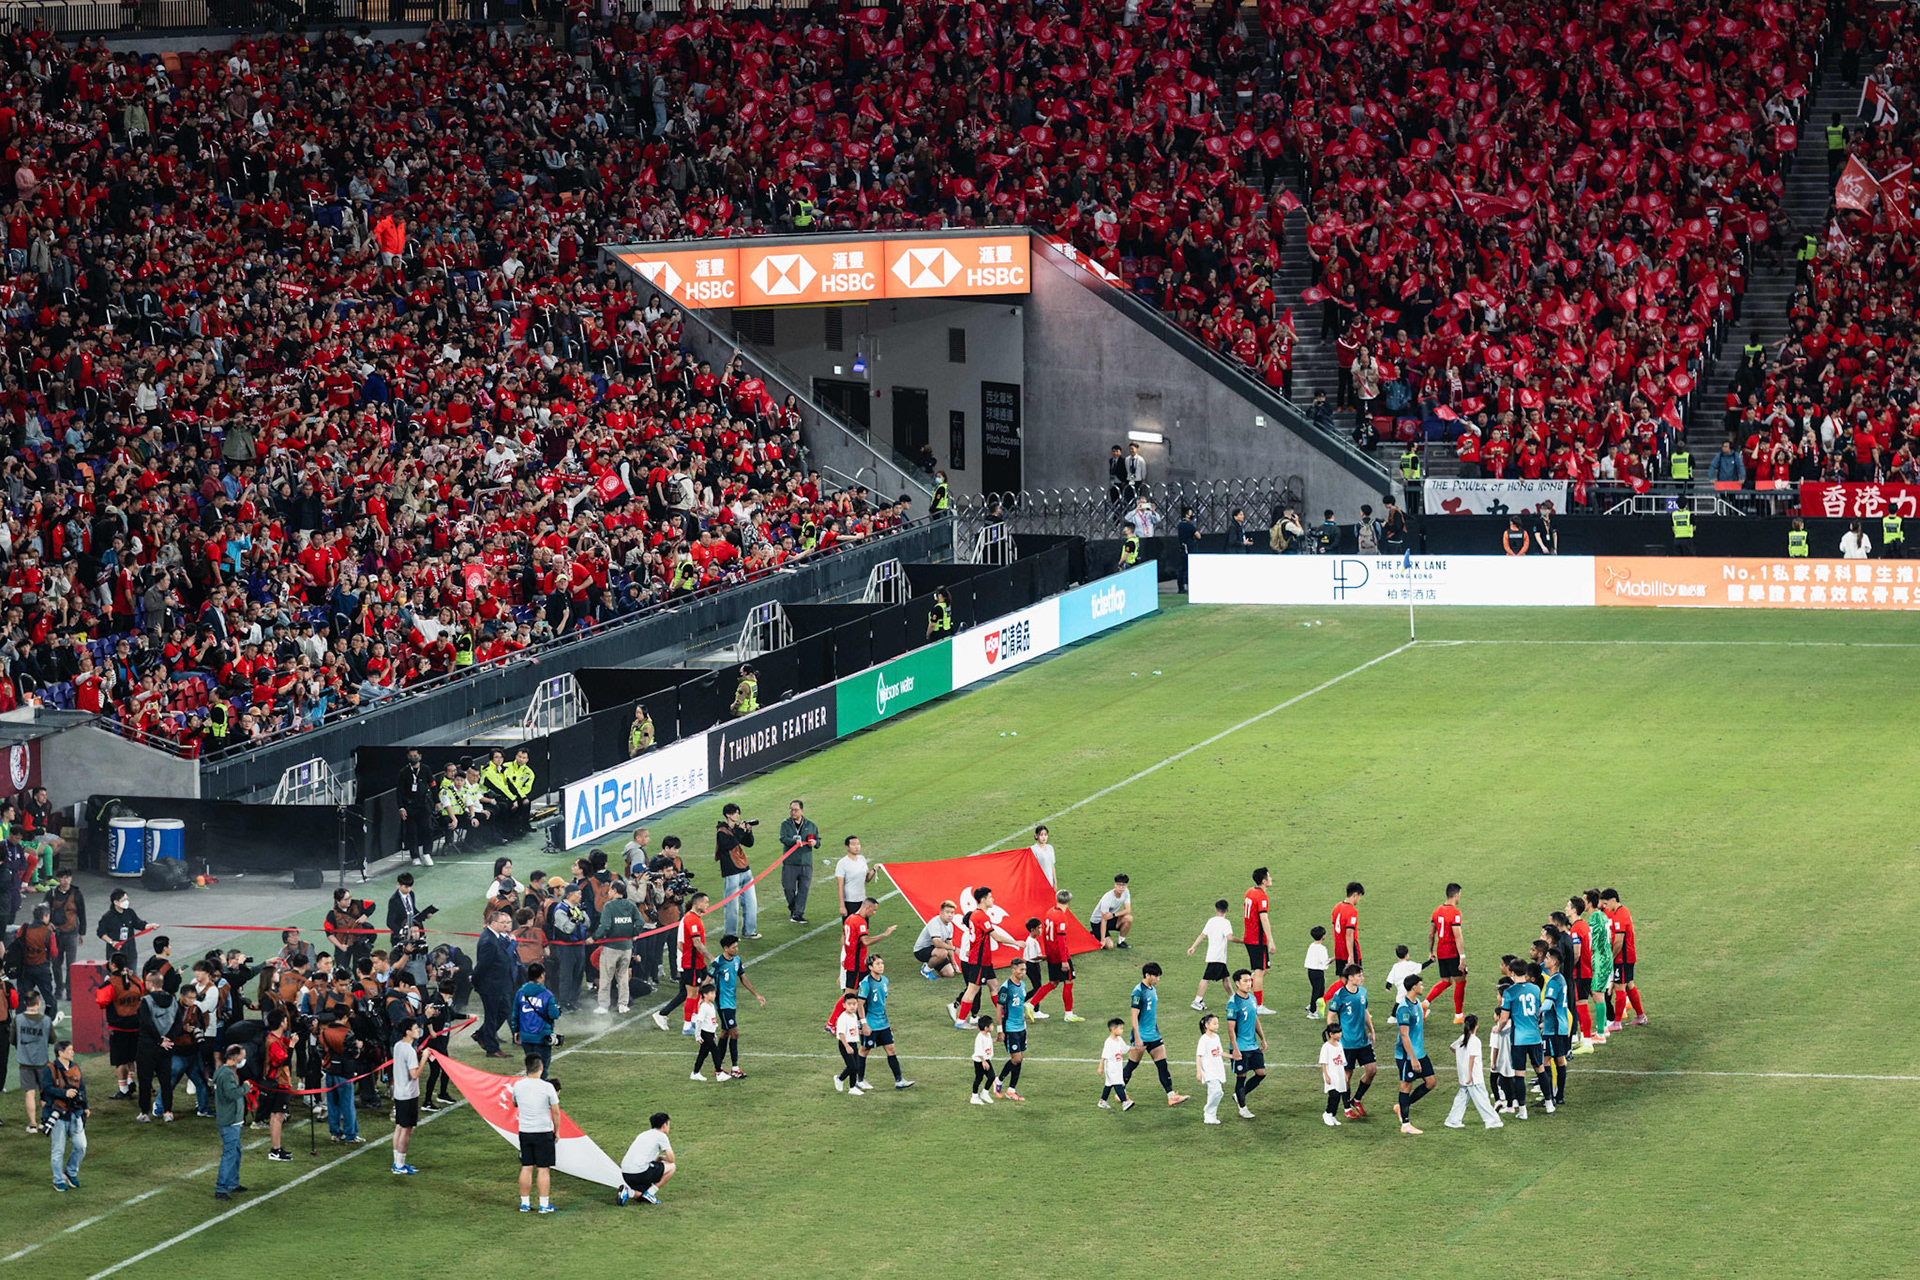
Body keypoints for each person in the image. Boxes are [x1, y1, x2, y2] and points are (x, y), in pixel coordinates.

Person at [949, 887, 1017, 1029]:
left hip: (984, 959)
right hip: (979, 960)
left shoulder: (975, 915)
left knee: (994, 986)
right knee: (972, 989)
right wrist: (1016, 943)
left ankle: (1004, 1013)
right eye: (990, 897)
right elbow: (996, 937)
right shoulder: (981, 916)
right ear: (983, 899)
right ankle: (960, 1021)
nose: (993, 900)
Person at [1123, 962, 1189, 1106]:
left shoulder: (1152, 989)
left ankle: (1171, 1096)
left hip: (1154, 1034)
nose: (1158, 979)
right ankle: (1119, 1093)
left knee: (1162, 1065)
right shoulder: (1138, 992)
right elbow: (1134, 1016)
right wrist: (1137, 1037)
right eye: (1155, 976)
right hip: (1141, 1036)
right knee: (1132, 1065)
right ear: (1147, 975)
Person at [1495, 959, 1547, 1120]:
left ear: (1511, 973)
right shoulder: (1535, 989)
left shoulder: (1510, 992)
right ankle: (1550, 1102)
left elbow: (1504, 1018)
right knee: (1540, 1069)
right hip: (1535, 1037)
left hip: (1519, 1039)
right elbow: (1539, 1011)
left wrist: (1498, 1029)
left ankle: (1522, 1110)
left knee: (1519, 1075)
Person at [653, 891, 711, 1035]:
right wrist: (710, 956)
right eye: (706, 902)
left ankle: (693, 1019)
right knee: (690, 993)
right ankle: (686, 1025)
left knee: (694, 991)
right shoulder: (691, 920)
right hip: (689, 963)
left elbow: (681, 943)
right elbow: (693, 943)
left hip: (695, 962)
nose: (708, 905)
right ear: (698, 903)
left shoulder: (691, 918)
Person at [1324, 963, 1378, 1118]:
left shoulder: (1363, 992)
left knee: (1372, 1070)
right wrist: (1333, 1036)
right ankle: (1347, 1107)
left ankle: (1357, 1099)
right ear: (1350, 977)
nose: (1362, 978)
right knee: (1346, 1075)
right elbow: (1331, 1015)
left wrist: (1372, 1030)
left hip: (1362, 1040)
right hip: (1346, 1043)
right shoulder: (1340, 995)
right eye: (1359, 975)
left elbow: (1365, 1011)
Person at [512, 1053, 561, 1213]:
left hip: (525, 1131)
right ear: (541, 1068)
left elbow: (514, 1103)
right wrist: (557, 1131)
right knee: (543, 1168)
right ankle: (544, 1205)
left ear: (526, 1068)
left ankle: (524, 1203)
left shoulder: (518, 1086)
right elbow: (556, 1112)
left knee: (526, 1167)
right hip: (543, 1132)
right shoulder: (547, 1087)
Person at [854, 955, 911, 1090]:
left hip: (883, 1023)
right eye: (878, 964)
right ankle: (859, 1080)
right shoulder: (866, 983)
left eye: (882, 963)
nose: (881, 966)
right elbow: (860, 1004)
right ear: (870, 967)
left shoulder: (885, 981)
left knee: (891, 1049)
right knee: (864, 1050)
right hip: (870, 1023)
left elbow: (882, 1002)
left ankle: (899, 1080)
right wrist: (863, 1024)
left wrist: (887, 1021)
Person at [711, 935, 763, 1079]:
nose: (736, 949)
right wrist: (700, 997)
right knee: (734, 1033)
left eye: (737, 946)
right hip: (722, 1004)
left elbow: (743, 979)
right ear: (726, 948)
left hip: (731, 1003)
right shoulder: (718, 962)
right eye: (734, 947)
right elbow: (708, 979)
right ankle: (735, 1068)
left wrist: (757, 995)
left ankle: (718, 1067)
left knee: (724, 1033)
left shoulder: (737, 960)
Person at [1392, 974, 1438, 1135]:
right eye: (1420, 984)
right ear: (1413, 987)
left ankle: (1402, 1106)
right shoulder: (1403, 1008)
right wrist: (1412, 1058)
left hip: (1420, 1052)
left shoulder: (1417, 1003)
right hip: (1407, 1055)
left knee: (1431, 1082)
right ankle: (1405, 1124)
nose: (1422, 987)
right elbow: (1404, 1035)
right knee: (1406, 1086)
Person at [134, 969, 181, 1123]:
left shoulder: (146, 1001)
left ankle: (144, 1113)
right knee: (166, 1081)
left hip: (147, 1046)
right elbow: (178, 1023)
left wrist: (158, 1040)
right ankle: (168, 1111)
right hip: (167, 1047)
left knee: (145, 1080)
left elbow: (147, 1023)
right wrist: (168, 1039)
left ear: (150, 983)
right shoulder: (173, 1000)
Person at [1029, 890, 1083, 1021]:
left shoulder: (1049, 913)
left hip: (1051, 955)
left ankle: (1031, 1004)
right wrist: (1064, 961)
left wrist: (1047, 953)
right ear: (1069, 901)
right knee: (1068, 981)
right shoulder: (1062, 917)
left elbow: (1045, 936)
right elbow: (1061, 940)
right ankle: (1068, 1014)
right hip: (1060, 956)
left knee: (1053, 982)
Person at [1443, 1014, 1503, 1130]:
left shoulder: (1462, 1038)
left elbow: (1452, 1048)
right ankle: (1492, 1121)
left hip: (1463, 1075)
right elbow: (1472, 1058)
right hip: (1474, 1077)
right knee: (1482, 1099)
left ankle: (1453, 1120)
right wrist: (1470, 1076)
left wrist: (1461, 1055)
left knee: (1462, 1098)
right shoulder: (1475, 1041)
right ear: (1476, 1025)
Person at [593, 880, 644, 1016]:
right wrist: (634, 934)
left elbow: (605, 926)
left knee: (606, 976)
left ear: (615, 891)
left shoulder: (609, 906)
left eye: (610, 890)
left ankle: (603, 1005)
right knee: (623, 977)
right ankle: (623, 1004)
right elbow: (640, 922)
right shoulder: (630, 905)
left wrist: (594, 937)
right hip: (627, 947)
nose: (608, 892)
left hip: (611, 947)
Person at [474, 909, 520, 1059]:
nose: (506, 925)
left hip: (500, 984)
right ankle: (492, 1048)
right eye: (502, 922)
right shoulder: (489, 941)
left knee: (504, 1010)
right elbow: (483, 966)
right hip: (491, 985)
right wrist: (475, 982)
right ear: (493, 923)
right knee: (492, 1016)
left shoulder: (495, 937)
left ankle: (481, 1034)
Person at [43, 1039, 88, 1191]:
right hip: (58, 1114)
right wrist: (64, 1093)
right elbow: (46, 1089)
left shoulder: (76, 1067)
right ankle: (58, 1180)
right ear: (60, 1053)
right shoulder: (50, 1069)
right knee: (58, 1150)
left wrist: (85, 1106)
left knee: (81, 1146)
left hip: (75, 1113)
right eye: (69, 1050)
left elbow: (82, 1088)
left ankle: (70, 1172)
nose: (72, 1052)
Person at [1600, 888, 1645, 1030]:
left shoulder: (1620, 916)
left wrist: (1611, 958)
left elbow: (1619, 941)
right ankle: (1641, 1016)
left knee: (1620, 987)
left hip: (1622, 958)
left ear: (1613, 900)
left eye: (1606, 904)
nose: (1605, 907)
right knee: (1629, 985)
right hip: (1627, 956)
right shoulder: (1622, 912)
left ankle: (1617, 1022)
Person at [715, 803, 759, 940]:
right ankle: (730, 934)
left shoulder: (735, 829)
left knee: (751, 901)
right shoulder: (722, 831)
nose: (737, 815)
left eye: (738, 812)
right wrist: (740, 831)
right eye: (735, 813)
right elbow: (729, 845)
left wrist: (749, 831)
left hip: (744, 868)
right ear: (728, 815)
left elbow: (749, 843)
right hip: (731, 871)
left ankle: (749, 930)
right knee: (732, 905)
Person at [1225, 969, 1266, 1119]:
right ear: (1237, 983)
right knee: (1241, 1077)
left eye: (1250, 980)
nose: (1249, 984)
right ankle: (1242, 1108)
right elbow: (1230, 1029)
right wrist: (1235, 1049)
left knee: (1261, 1073)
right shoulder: (1233, 1003)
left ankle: (1238, 1096)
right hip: (1241, 1047)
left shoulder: (1253, 999)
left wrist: (1262, 1037)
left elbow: (1255, 1019)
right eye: (1245, 981)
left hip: (1253, 1046)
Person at [1426, 883, 1468, 1024]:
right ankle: (1458, 1015)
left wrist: (1431, 952)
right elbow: (1458, 936)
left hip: (1441, 950)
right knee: (1460, 981)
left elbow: (1431, 935)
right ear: (1456, 895)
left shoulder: (1436, 911)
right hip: (1452, 951)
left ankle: (1425, 1004)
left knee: (1446, 981)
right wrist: (1462, 956)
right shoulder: (1455, 913)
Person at [211, 1044, 250, 1198]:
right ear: (235, 1057)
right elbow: (232, 1094)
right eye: (242, 1056)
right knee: (229, 1154)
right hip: (229, 1120)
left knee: (235, 1152)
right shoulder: (226, 1075)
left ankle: (233, 1183)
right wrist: (246, 1087)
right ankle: (221, 1188)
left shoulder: (224, 1071)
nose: (243, 1059)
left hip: (232, 1118)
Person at [1186, 898, 1235, 1011]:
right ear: (1227, 910)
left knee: (1226, 978)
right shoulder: (1225, 922)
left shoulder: (1211, 921)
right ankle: (1197, 1000)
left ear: (1215, 909)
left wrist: (1193, 947)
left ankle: (1233, 998)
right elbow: (1229, 937)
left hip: (1216, 956)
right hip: (1218, 957)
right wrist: (1243, 941)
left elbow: (1202, 935)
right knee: (1206, 978)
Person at [618, 1112, 676, 1206]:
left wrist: (660, 1158)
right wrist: (663, 1158)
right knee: (672, 1167)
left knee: (640, 1196)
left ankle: (627, 1193)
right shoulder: (661, 1136)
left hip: (625, 1173)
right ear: (665, 1125)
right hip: (639, 1172)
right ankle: (650, 1193)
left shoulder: (643, 1134)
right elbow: (671, 1159)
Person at [45, 869, 84, 1004]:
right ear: (58, 879)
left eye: (68, 877)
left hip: (72, 932)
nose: (65, 880)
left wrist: (82, 933)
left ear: (71, 879)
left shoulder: (77, 894)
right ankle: (59, 989)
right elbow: (43, 910)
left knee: (71, 964)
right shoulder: (51, 893)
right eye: (62, 878)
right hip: (56, 934)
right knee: (56, 963)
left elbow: (82, 913)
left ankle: (70, 991)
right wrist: (47, 923)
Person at [778, 799, 821, 924]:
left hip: (806, 863)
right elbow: (783, 838)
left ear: (802, 810)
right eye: (791, 809)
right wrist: (794, 842)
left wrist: (815, 843)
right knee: (788, 888)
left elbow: (818, 840)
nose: (793, 812)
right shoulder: (785, 824)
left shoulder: (811, 825)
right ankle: (794, 909)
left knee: (804, 890)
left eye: (795, 810)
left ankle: (798, 914)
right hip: (790, 862)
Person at [991, 963, 1030, 1101]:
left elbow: (1019, 1005)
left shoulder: (1023, 985)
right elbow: (998, 1008)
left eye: (1024, 969)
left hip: (1021, 1027)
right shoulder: (1005, 988)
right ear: (1013, 970)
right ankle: (998, 1080)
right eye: (1021, 969)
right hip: (1010, 1027)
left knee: (1020, 1059)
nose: (1023, 972)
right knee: (1016, 1058)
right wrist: (1000, 1030)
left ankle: (1011, 1090)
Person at [390, 1018, 424, 1173]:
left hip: (399, 1093)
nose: (418, 1031)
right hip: (408, 1095)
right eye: (416, 1028)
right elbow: (415, 1074)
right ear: (408, 1032)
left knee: (399, 1127)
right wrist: (424, 1058)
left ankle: (397, 1162)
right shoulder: (409, 1050)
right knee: (406, 1129)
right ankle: (400, 1165)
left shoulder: (398, 1045)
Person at [16, 990, 52, 1131]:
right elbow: (52, 1039)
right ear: (38, 1003)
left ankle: (32, 1124)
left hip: (25, 1061)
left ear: (25, 1003)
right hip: (42, 1060)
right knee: (44, 1091)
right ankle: (44, 1121)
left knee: (30, 1092)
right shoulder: (46, 1020)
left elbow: (13, 1038)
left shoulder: (18, 1019)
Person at [1541, 950, 1572, 1111]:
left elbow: (1548, 1003)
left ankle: (1549, 1096)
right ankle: (1559, 1096)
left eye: (1547, 958)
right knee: (1559, 1060)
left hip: (1553, 1028)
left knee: (1546, 1060)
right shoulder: (1561, 979)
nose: (1545, 960)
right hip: (1562, 1026)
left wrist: (1536, 1012)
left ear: (1554, 962)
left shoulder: (1554, 981)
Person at [1242, 867, 1276, 1015]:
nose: (1271, 878)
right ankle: (1258, 1005)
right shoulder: (1261, 897)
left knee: (1263, 970)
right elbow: (1263, 918)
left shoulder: (1250, 892)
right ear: (1263, 881)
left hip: (1249, 937)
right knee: (1260, 971)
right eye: (1269, 876)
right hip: (1257, 939)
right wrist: (1271, 940)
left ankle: (1245, 986)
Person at [516, 962, 561, 1071]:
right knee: (542, 1068)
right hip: (541, 1036)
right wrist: (558, 1010)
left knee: (530, 1067)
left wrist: (516, 1031)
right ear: (541, 975)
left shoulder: (520, 993)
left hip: (525, 1036)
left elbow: (515, 1014)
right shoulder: (547, 994)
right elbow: (553, 1014)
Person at [396, 749, 436, 866]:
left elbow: (433, 785)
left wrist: (437, 801)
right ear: (407, 757)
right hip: (410, 807)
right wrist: (401, 807)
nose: (413, 758)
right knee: (412, 832)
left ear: (420, 756)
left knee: (427, 829)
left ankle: (427, 853)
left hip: (424, 805)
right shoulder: (404, 772)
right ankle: (415, 856)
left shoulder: (425, 769)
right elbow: (399, 792)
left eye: (415, 755)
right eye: (411, 756)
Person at [97, 888, 147, 967]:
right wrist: (112, 942)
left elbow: (139, 924)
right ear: (116, 902)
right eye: (123, 900)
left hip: (130, 954)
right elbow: (101, 932)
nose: (126, 902)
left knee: (132, 976)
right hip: (116, 955)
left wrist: (149, 926)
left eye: (127, 899)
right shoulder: (108, 917)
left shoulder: (130, 912)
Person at [912, 901, 960, 980]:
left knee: (949, 974)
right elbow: (937, 943)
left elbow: (949, 943)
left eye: (952, 912)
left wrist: (953, 962)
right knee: (943, 952)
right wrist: (955, 949)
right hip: (921, 950)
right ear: (941, 913)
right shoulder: (935, 923)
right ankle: (926, 970)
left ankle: (932, 962)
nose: (950, 915)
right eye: (947, 912)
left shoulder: (950, 925)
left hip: (935, 951)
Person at [1195, 1013, 1227, 1124]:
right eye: (1214, 1023)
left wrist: (1233, 1056)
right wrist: (1199, 1071)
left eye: (1217, 1023)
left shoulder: (1216, 1037)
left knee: (1216, 1092)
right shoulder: (1204, 1039)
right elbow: (1199, 1055)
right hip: (1209, 1070)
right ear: (1207, 1025)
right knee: (1217, 1091)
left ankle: (1210, 1116)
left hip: (1217, 1068)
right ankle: (1208, 1112)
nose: (1217, 1025)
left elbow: (1220, 1052)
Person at [689, 982, 724, 1082]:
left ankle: (695, 1073)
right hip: (705, 1033)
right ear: (705, 995)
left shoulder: (711, 1006)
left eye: (714, 993)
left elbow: (712, 1021)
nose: (714, 995)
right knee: (715, 1051)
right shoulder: (704, 1007)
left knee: (703, 1054)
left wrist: (714, 1033)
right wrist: (697, 1035)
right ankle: (719, 1073)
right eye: (712, 993)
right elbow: (699, 1021)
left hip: (710, 1032)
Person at [834, 835, 875, 918]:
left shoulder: (862, 859)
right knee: (851, 928)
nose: (857, 847)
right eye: (853, 845)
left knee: (863, 928)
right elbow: (840, 886)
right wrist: (842, 906)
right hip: (850, 901)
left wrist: (874, 870)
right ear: (847, 847)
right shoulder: (842, 863)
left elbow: (867, 879)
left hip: (862, 900)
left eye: (858, 844)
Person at [1088, 874, 1133, 948]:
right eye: (1119, 885)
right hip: (1098, 922)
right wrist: (1103, 940)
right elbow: (1103, 919)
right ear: (1115, 884)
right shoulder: (1108, 898)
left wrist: (1114, 915)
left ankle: (1121, 942)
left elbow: (1127, 910)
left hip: (1110, 918)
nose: (1121, 888)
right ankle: (1095, 934)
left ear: (1126, 885)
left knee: (1128, 918)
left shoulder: (1126, 892)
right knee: (1109, 946)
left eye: (1123, 885)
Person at [1317, 1025, 1348, 1127]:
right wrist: (1326, 1075)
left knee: (1338, 1096)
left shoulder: (1339, 1045)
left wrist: (1344, 1075)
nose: (1340, 1035)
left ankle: (1333, 1115)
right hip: (1331, 1074)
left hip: (1339, 1074)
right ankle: (1327, 1113)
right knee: (1333, 1095)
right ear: (1331, 1034)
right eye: (1338, 1033)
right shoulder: (1326, 1047)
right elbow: (1323, 1062)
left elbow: (1342, 1061)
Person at [831, 998, 864, 1093]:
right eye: (849, 1004)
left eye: (854, 1004)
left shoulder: (854, 1016)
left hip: (853, 1044)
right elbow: (841, 1033)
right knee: (852, 1066)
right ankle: (840, 1079)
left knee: (856, 1066)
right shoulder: (843, 1018)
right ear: (844, 1005)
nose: (852, 1006)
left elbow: (853, 1029)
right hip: (845, 1044)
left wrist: (860, 1032)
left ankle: (852, 1087)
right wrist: (847, 1046)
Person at [1098, 1018, 1132, 1110]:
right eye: (1120, 1028)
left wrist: (1136, 1048)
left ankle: (1102, 1101)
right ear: (1113, 1029)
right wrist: (1100, 1067)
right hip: (1111, 1068)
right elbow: (1104, 1056)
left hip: (1117, 1067)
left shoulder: (1119, 1040)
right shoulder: (1108, 1042)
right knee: (1118, 1084)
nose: (1122, 1030)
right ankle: (1125, 1102)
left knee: (1109, 1085)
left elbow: (1125, 1049)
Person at [1331, 881, 1363, 976]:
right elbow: (1349, 935)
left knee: (1342, 980)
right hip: (1349, 950)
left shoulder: (1337, 907)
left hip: (1339, 950)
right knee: (1355, 980)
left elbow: (1333, 930)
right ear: (1355, 895)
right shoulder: (1352, 911)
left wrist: (1336, 949)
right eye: (1359, 897)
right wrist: (1351, 955)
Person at [968, 1013, 997, 1106]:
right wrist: (984, 1061)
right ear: (986, 1027)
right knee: (982, 1078)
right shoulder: (979, 1037)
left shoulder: (987, 1035)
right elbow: (978, 1050)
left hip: (985, 1059)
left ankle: (983, 1093)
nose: (993, 1026)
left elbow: (988, 1042)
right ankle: (976, 1096)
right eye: (991, 1025)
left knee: (988, 1077)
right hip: (980, 1061)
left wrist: (996, 1040)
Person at [1304, 926, 1331, 1018]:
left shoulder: (1311, 946)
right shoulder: (1322, 948)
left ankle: (1313, 1005)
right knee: (1317, 990)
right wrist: (1334, 958)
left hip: (1310, 971)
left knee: (1318, 989)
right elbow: (1325, 961)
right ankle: (1312, 1011)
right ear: (1323, 936)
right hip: (1318, 971)